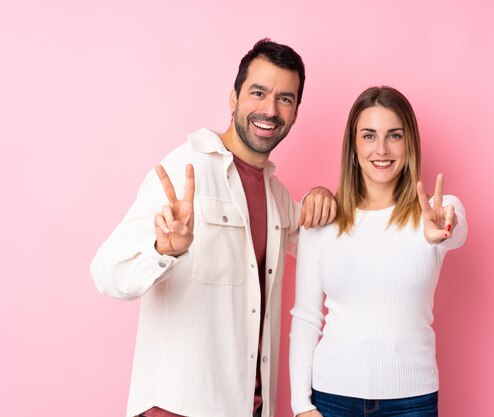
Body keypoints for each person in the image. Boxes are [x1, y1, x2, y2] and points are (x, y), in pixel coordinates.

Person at [91, 38, 336, 417]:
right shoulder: (184, 168)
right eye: (258, 92)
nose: (270, 109)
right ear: (234, 98)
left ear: (295, 111)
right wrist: (163, 250)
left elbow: (329, 250)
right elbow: (107, 273)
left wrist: (324, 197)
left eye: (285, 99)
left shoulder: (276, 194)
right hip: (178, 408)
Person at [289, 86, 468, 417]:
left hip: (413, 401)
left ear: (409, 144)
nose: (381, 149)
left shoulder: (436, 212)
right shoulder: (322, 222)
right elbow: (306, 317)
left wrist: (442, 231)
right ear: (354, 147)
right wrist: (301, 406)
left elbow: (453, 230)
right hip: (332, 399)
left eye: (394, 135)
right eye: (369, 136)